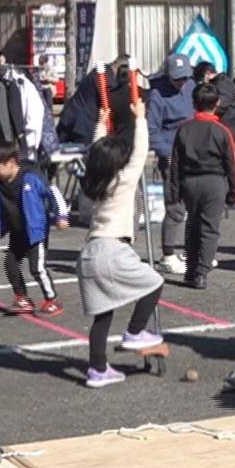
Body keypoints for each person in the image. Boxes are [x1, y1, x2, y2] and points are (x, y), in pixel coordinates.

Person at [77, 97, 165, 388]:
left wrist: (101, 125)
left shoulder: (94, 181)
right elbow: (141, 153)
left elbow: (94, 154)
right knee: (154, 282)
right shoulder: (123, 181)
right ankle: (135, 332)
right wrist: (140, 118)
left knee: (102, 316)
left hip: (89, 253)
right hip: (112, 249)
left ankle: (98, 370)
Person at [0, 142, 71, 315]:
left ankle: (52, 299)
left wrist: (61, 215)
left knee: (37, 268)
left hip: (36, 231)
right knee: (10, 264)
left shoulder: (31, 177)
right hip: (16, 230)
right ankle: (22, 298)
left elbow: (53, 191)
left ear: (11, 163)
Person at [170, 82, 235, 290]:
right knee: (209, 229)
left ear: (193, 104)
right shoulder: (221, 131)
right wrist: (233, 193)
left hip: (189, 181)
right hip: (214, 182)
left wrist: (173, 192)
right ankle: (201, 272)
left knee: (192, 225)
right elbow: (231, 165)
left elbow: (175, 163)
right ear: (217, 103)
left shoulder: (184, 129)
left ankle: (190, 270)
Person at [146, 54, 196, 276]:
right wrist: (168, 153)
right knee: (175, 207)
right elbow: (152, 132)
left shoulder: (191, 86)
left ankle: (191, 250)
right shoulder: (157, 95)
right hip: (171, 156)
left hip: (194, 153)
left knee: (195, 205)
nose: (181, 82)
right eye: (177, 78)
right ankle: (167, 254)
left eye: (185, 77)